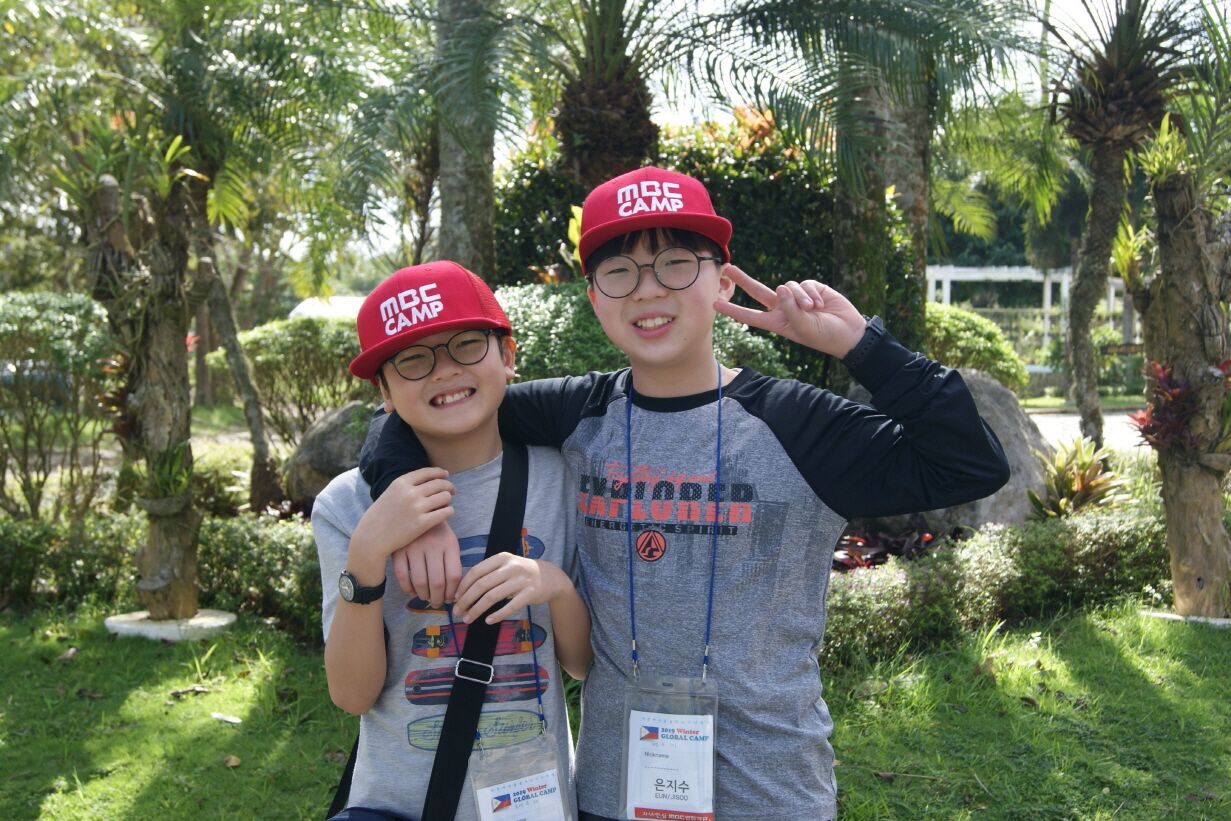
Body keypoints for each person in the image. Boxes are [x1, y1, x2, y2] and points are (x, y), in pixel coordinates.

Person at [360, 167, 1010, 821]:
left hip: (770, 793)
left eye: (675, 264)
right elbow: (420, 411)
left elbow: (970, 465)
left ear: (721, 281)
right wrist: (412, 511)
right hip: (613, 794)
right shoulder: (580, 413)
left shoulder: (797, 425)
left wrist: (860, 346)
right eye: (620, 272)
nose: (648, 290)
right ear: (594, 297)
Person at [313, 260, 591, 820]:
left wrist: (556, 586)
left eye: (465, 345)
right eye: (413, 359)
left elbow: (582, 665)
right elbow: (351, 695)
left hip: (531, 803)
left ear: (507, 356)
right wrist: (367, 553)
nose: (443, 370)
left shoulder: (563, 478)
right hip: (397, 804)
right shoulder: (346, 505)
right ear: (384, 391)